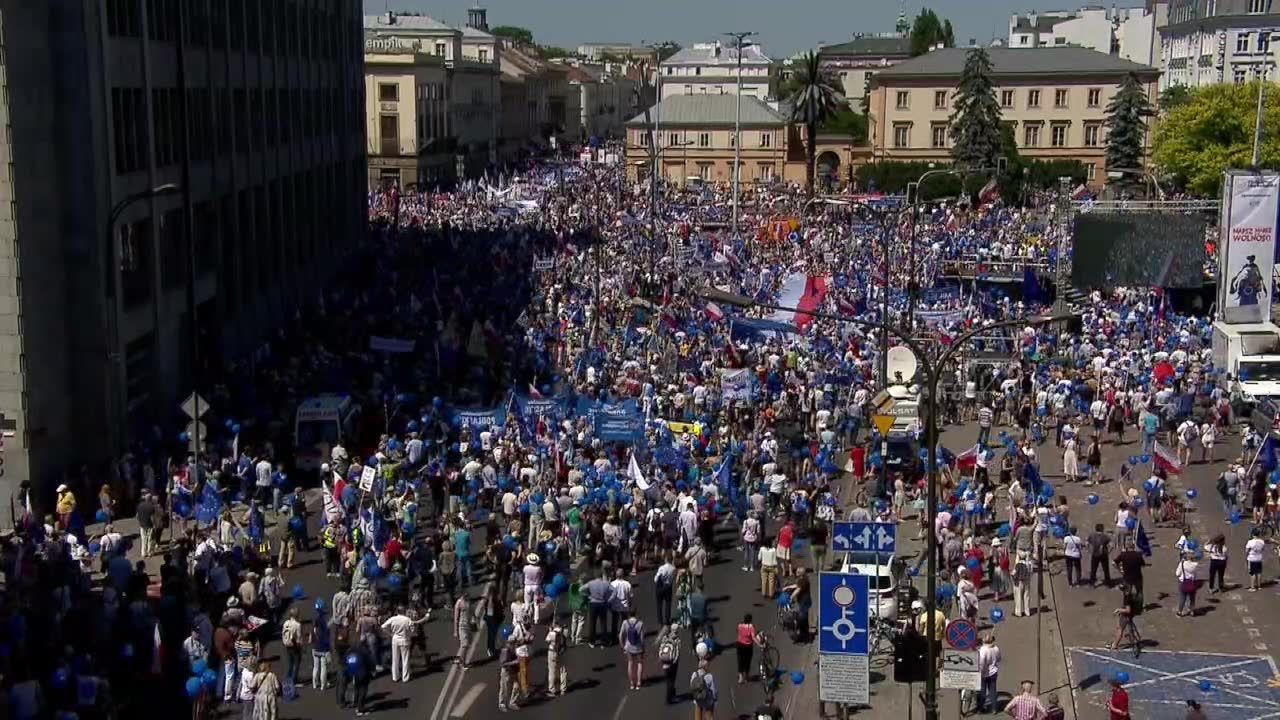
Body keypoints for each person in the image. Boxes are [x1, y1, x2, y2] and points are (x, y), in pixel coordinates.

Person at [382, 604, 429, 682]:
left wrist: (390, 634)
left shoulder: (393, 619)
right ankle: (405, 677)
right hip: (404, 639)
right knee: (405, 659)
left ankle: (395, 677)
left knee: (395, 658)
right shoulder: (407, 620)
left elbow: (383, 627)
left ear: (397, 611)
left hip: (395, 639)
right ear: (404, 611)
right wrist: (409, 635)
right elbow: (413, 631)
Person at [1109, 583, 1142, 651]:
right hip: (1129, 615)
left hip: (1126, 616)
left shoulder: (1127, 598)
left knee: (1120, 630)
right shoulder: (1130, 595)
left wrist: (1118, 610)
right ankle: (1135, 641)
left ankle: (1115, 645)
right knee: (1122, 628)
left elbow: (1127, 610)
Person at [619, 609, 645, 691]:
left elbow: (620, 636)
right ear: (635, 613)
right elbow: (642, 638)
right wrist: (643, 647)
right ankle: (638, 682)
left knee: (630, 663)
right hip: (638, 647)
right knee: (639, 663)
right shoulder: (640, 623)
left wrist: (623, 646)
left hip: (628, 646)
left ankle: (631, 683)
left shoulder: (625, 623)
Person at [658, 622, 682, 705]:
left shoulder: (665, 637)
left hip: (664, 662)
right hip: (672, 663)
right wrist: (675, 662)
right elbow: (677, 653)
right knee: (671, 681)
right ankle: (669, 699)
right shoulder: (677, 640)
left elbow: (661, 647)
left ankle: (672, 694)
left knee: (668, 679)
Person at [280, 607, 303, 689]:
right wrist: (301, 646)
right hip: (295, 646)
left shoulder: (286, 623)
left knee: (290, 663)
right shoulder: (297, 625)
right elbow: (299, 637)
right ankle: (294, 681)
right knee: (296, 663)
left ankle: (288, 678)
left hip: (287, 645)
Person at [977, 635, 1001, 714]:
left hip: (984, 673)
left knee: (982, 691)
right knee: (992, 691)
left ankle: (980, 708)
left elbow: (981, 663)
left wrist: (980, 672)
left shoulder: (983, 650)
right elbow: (999, 658)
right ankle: (994, 709)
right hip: (993, 672)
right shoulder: (996, 648)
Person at [497, 637, 522, 712]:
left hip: (513, 671)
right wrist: (514, 662)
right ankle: (502, 704)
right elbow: (502, 663)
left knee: (517, 686)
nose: (515, 643)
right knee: (504, 688)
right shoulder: (505, 650)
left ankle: (512, 702)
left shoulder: (514, 649)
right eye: (514, 642)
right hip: (506, 671)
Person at [545, 621, 569, 697]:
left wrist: (549, 630)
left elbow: (547, 640)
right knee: (563, 670)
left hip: (552, 652)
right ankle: (563, 689)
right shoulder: (565, 630)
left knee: (552, 671)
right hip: (561, 652)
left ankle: (552, 690)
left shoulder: (552, 633)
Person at [1174, 551, 1200, 617]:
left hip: (1183, 582)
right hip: (1192, 583)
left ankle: (1179, 612)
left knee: (1182, 598)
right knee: (1192, 598)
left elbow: (1177, 574)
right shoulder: (1196, 565)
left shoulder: (1182, 563)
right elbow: (1197, 574)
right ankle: (1192, 611)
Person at [736, 613, 759, 684]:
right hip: (748, 647)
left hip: (739, 645)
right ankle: (746, 676)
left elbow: (738, 632)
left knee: (740, 660)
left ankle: (740, 677)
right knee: (747, 661)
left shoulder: (739, 626)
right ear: (750, 620)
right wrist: (759, 644)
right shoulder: (751, 627)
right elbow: (753, 637)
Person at [453, 592, 475, 668]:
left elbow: (472, 611)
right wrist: (455, 631)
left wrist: (473, 619)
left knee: (468, 643)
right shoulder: (458, 603)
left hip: (468, 625)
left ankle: (461, 659)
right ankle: (462, 662)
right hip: (461, 626)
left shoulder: (468, 601)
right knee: (464, 644)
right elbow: (456, 618)